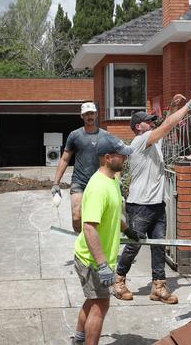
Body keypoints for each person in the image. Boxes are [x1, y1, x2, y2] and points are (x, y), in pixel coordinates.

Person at [113, 90, 191, 305]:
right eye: (147, 122)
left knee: (159, 245)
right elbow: (166, 126)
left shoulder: (153, 141)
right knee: (134, 244)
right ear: (138, 127)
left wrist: (172, 107)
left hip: (156, 204)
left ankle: (159, 287)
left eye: (152, 122)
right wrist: (189, 106)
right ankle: (118, 280)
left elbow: (164, 125)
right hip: (139, 205)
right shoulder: (140, 142)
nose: (151, 124)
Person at [71, 134, 135, 345]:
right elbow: (88, 227)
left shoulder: (112, 180)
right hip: (92, 260)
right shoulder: (99, 187)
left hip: (96, 258)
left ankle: (78, 340)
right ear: (108, 158)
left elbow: (113, 214)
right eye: (121, 156)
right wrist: (102, 265)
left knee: (93, 301)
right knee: (100, 306)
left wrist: (128, 230)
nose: (125, 159)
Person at [52, 102, 112, 233]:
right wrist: (56, 183)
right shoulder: (75, 135)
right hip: (79, 181)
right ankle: (80, 241)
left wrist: (116, 182)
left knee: (98, 218)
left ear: (96, 114)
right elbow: (64, 158)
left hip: (99, 182)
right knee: (76, 216)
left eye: (92, 113)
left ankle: (93, 242)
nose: (89, 116)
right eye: (86, 114)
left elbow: (111, 161)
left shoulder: (105, 136)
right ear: (81, 116)